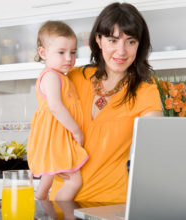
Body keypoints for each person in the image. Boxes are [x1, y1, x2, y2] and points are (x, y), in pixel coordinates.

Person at [49, 2, 163, 202]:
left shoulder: (147, 92)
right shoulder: (74, 78)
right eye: (113, 40)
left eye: (131, 42)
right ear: (99, 40)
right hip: (61, 200)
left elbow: (154, 150)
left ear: (139, 45)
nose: (121, 51)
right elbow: (46, 122)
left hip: (110, 206)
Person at [27, 21, 89, 201]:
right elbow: (55, 106)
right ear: (43, 53)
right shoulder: (51, 76)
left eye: (73, 52)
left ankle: (40, 201)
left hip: (55, 138)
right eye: (61, 52)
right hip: (54, 138)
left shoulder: (62, 76)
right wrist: (75, 130)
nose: (69, 58)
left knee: (48, 178)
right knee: (74, 181)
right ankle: (60, 213)